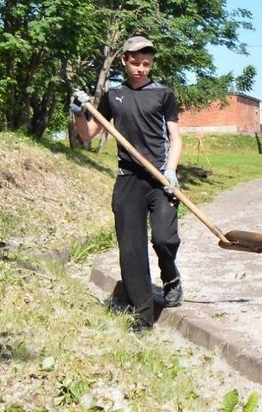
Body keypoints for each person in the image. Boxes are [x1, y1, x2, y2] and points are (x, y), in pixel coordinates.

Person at [71, 35, 183, 333]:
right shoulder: (113, 96)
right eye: (135, 63)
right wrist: (79, 112)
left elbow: (176, 138)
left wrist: (171, 171)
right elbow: (87, 135)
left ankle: (170, 275)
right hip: (128, 180)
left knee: (164, 239)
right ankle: (142, 315)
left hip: (160, 178)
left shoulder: (163, 94)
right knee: (131, 250)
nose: (141, 69)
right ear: (124, 60)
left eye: (146, 64)